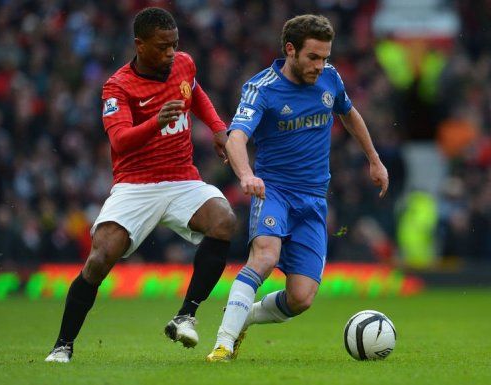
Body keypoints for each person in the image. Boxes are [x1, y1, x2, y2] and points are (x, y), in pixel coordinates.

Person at [45, 7, 236, 363]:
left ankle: (186, 314)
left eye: (174, 45)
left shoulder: (183, 63)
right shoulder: (117, 86)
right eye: (163, 46)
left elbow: (195, 93)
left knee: (223, 219)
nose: (170, 53)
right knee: (100, 258)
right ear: (140, 45)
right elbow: (119, 141)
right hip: (136, 185)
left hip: (182, 178)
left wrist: (217, 127)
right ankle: (62, 345)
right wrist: (154, 121)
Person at [206, 14, 389, 362]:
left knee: (301, 298)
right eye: (313, 57)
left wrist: (374, 160)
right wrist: (246, 174)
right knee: (265, 257)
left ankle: (243, 317)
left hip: (313, 201)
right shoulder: (262, 88)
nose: (320, 65)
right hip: (273, 191)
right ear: (291, 50)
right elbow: (237, 137)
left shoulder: (331, 79)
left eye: (325, 57)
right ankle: (223, 343)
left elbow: (350, 114)